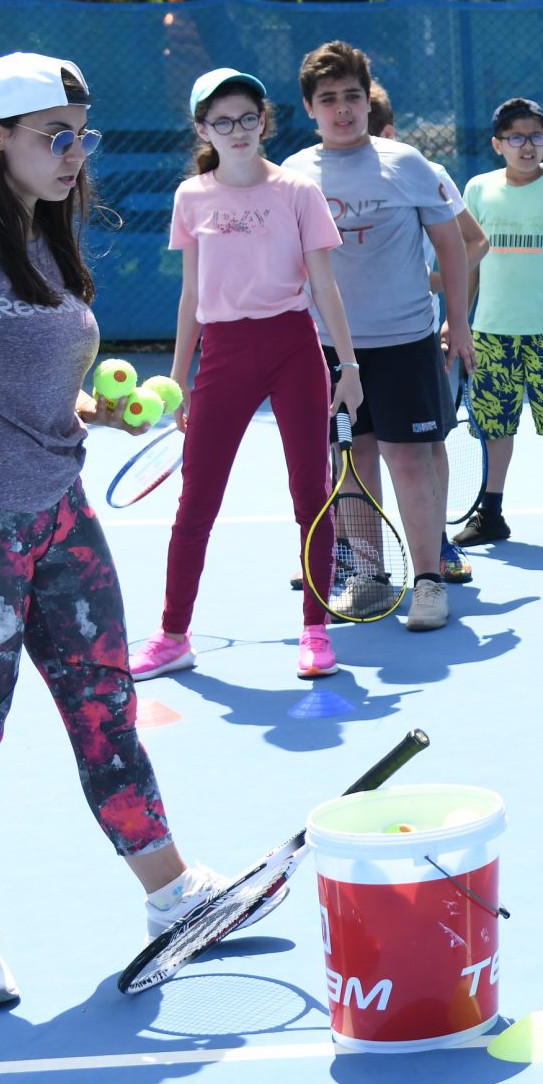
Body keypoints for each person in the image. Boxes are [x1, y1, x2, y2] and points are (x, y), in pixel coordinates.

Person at [0, 52, 260, 1011]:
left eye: (82, 136)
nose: (76, 154)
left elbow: (23, 377)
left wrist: (94, 408)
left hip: (59, 517)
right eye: (58, 136)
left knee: (105, 706)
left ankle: (172, 893)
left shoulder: (42, 234)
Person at [132, 70, 366, 679]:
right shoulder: (191, 198)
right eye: (221, 121)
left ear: (263, 121)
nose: (236, 130)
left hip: (293, 347)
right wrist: (178, 378)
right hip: (225, 353)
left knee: (311, 496)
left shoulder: (297, 191)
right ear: (203, 129)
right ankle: (173, 635)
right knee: (196, 503)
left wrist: (349, 365)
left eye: (246, 118)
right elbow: (189, 297)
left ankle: (316, 631)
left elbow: (325, 285)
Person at [281, 42, 474, 632]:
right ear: (311, 109)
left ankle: (428, 582)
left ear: (369, 101)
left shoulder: (407, 162)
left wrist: (459, 322)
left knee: (409, 461)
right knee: (353, 463)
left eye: (353, 97)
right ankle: (368, 577)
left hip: (405, 341)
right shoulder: (293, 175)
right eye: (329, 100)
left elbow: (454, 245)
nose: (343, 110)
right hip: (327, 349)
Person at [452, 98, 543, 546]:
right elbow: (467, 263)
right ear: (498, 144)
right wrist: (456, 318)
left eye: (535, 136)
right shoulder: (477, 189)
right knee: (495, 427)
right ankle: (491, 514)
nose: (527, 145)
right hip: (491, 335)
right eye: (516, 137)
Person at [365, 79, 486, 584]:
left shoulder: (422, 171)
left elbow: (473, 242)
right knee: (348, 450)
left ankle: (435, 547)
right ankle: (354, 553)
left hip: (410, 334)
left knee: (428, 443)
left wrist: (436, 290)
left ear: (389, 132)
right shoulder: (316, 174)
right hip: (342, 340)